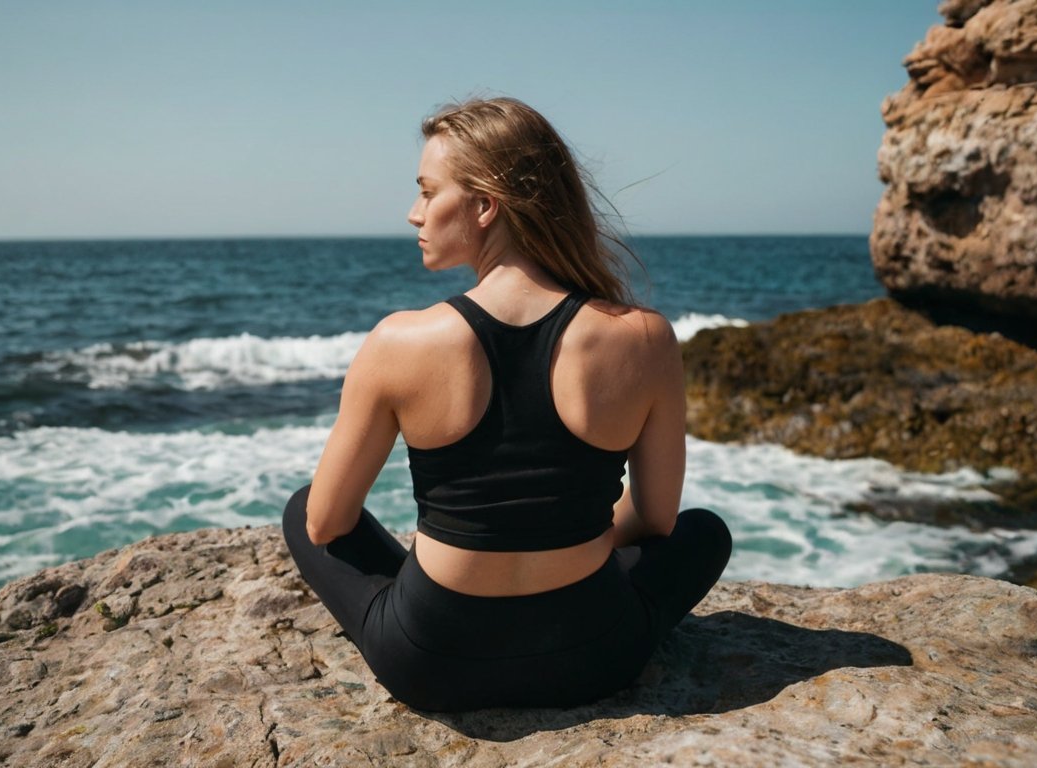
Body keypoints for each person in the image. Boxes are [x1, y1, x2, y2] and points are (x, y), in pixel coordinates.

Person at [282, 97, 731, 712]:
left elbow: (327, 525)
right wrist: (564, 531)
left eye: (427, 191)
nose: (412, 213)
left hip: (432, 665)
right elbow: (657, 521)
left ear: (485, 205)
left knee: (304, 505)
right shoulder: (644, 337)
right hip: (594, 656)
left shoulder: (399, 342)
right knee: (704, 532)